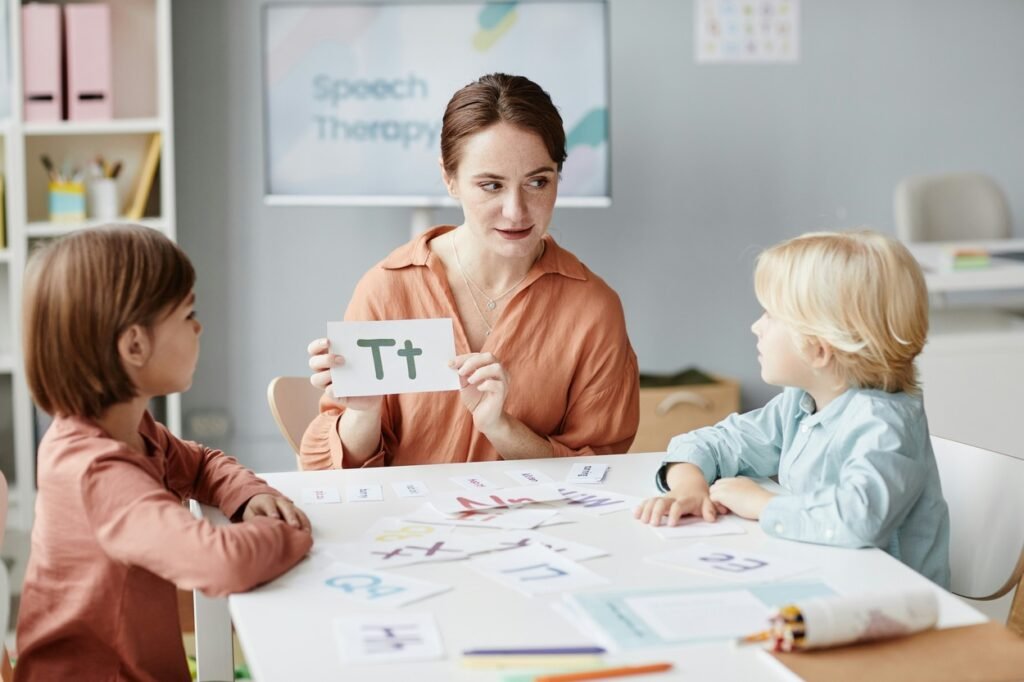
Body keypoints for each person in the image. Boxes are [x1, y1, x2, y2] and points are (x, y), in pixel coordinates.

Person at [16, 226, 314, 680]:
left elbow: (200, 462)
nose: (198, 326)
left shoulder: (127, 429)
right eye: (187, 313)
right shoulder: (95, 471)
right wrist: (287, 531)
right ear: (134, 345)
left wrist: (247, 495)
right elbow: (221, 563)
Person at [302, 73, 638, 469]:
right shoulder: (388, 289)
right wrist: (363, 413)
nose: (516, 211)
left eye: (537, 182)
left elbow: (602, 468)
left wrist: (502, 428)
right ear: (449, 178)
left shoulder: (593, 309)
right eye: (491, 186)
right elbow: (327, 473)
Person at [635, 230, 951, 587]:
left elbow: (857, 519)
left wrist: (761, 504)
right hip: (823, 579)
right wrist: (688, 486)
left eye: (770, 314)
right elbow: (719, 441)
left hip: (891, 609)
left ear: (818, 348)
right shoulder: (801, 403)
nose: (756, 326)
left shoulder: (883, 424)